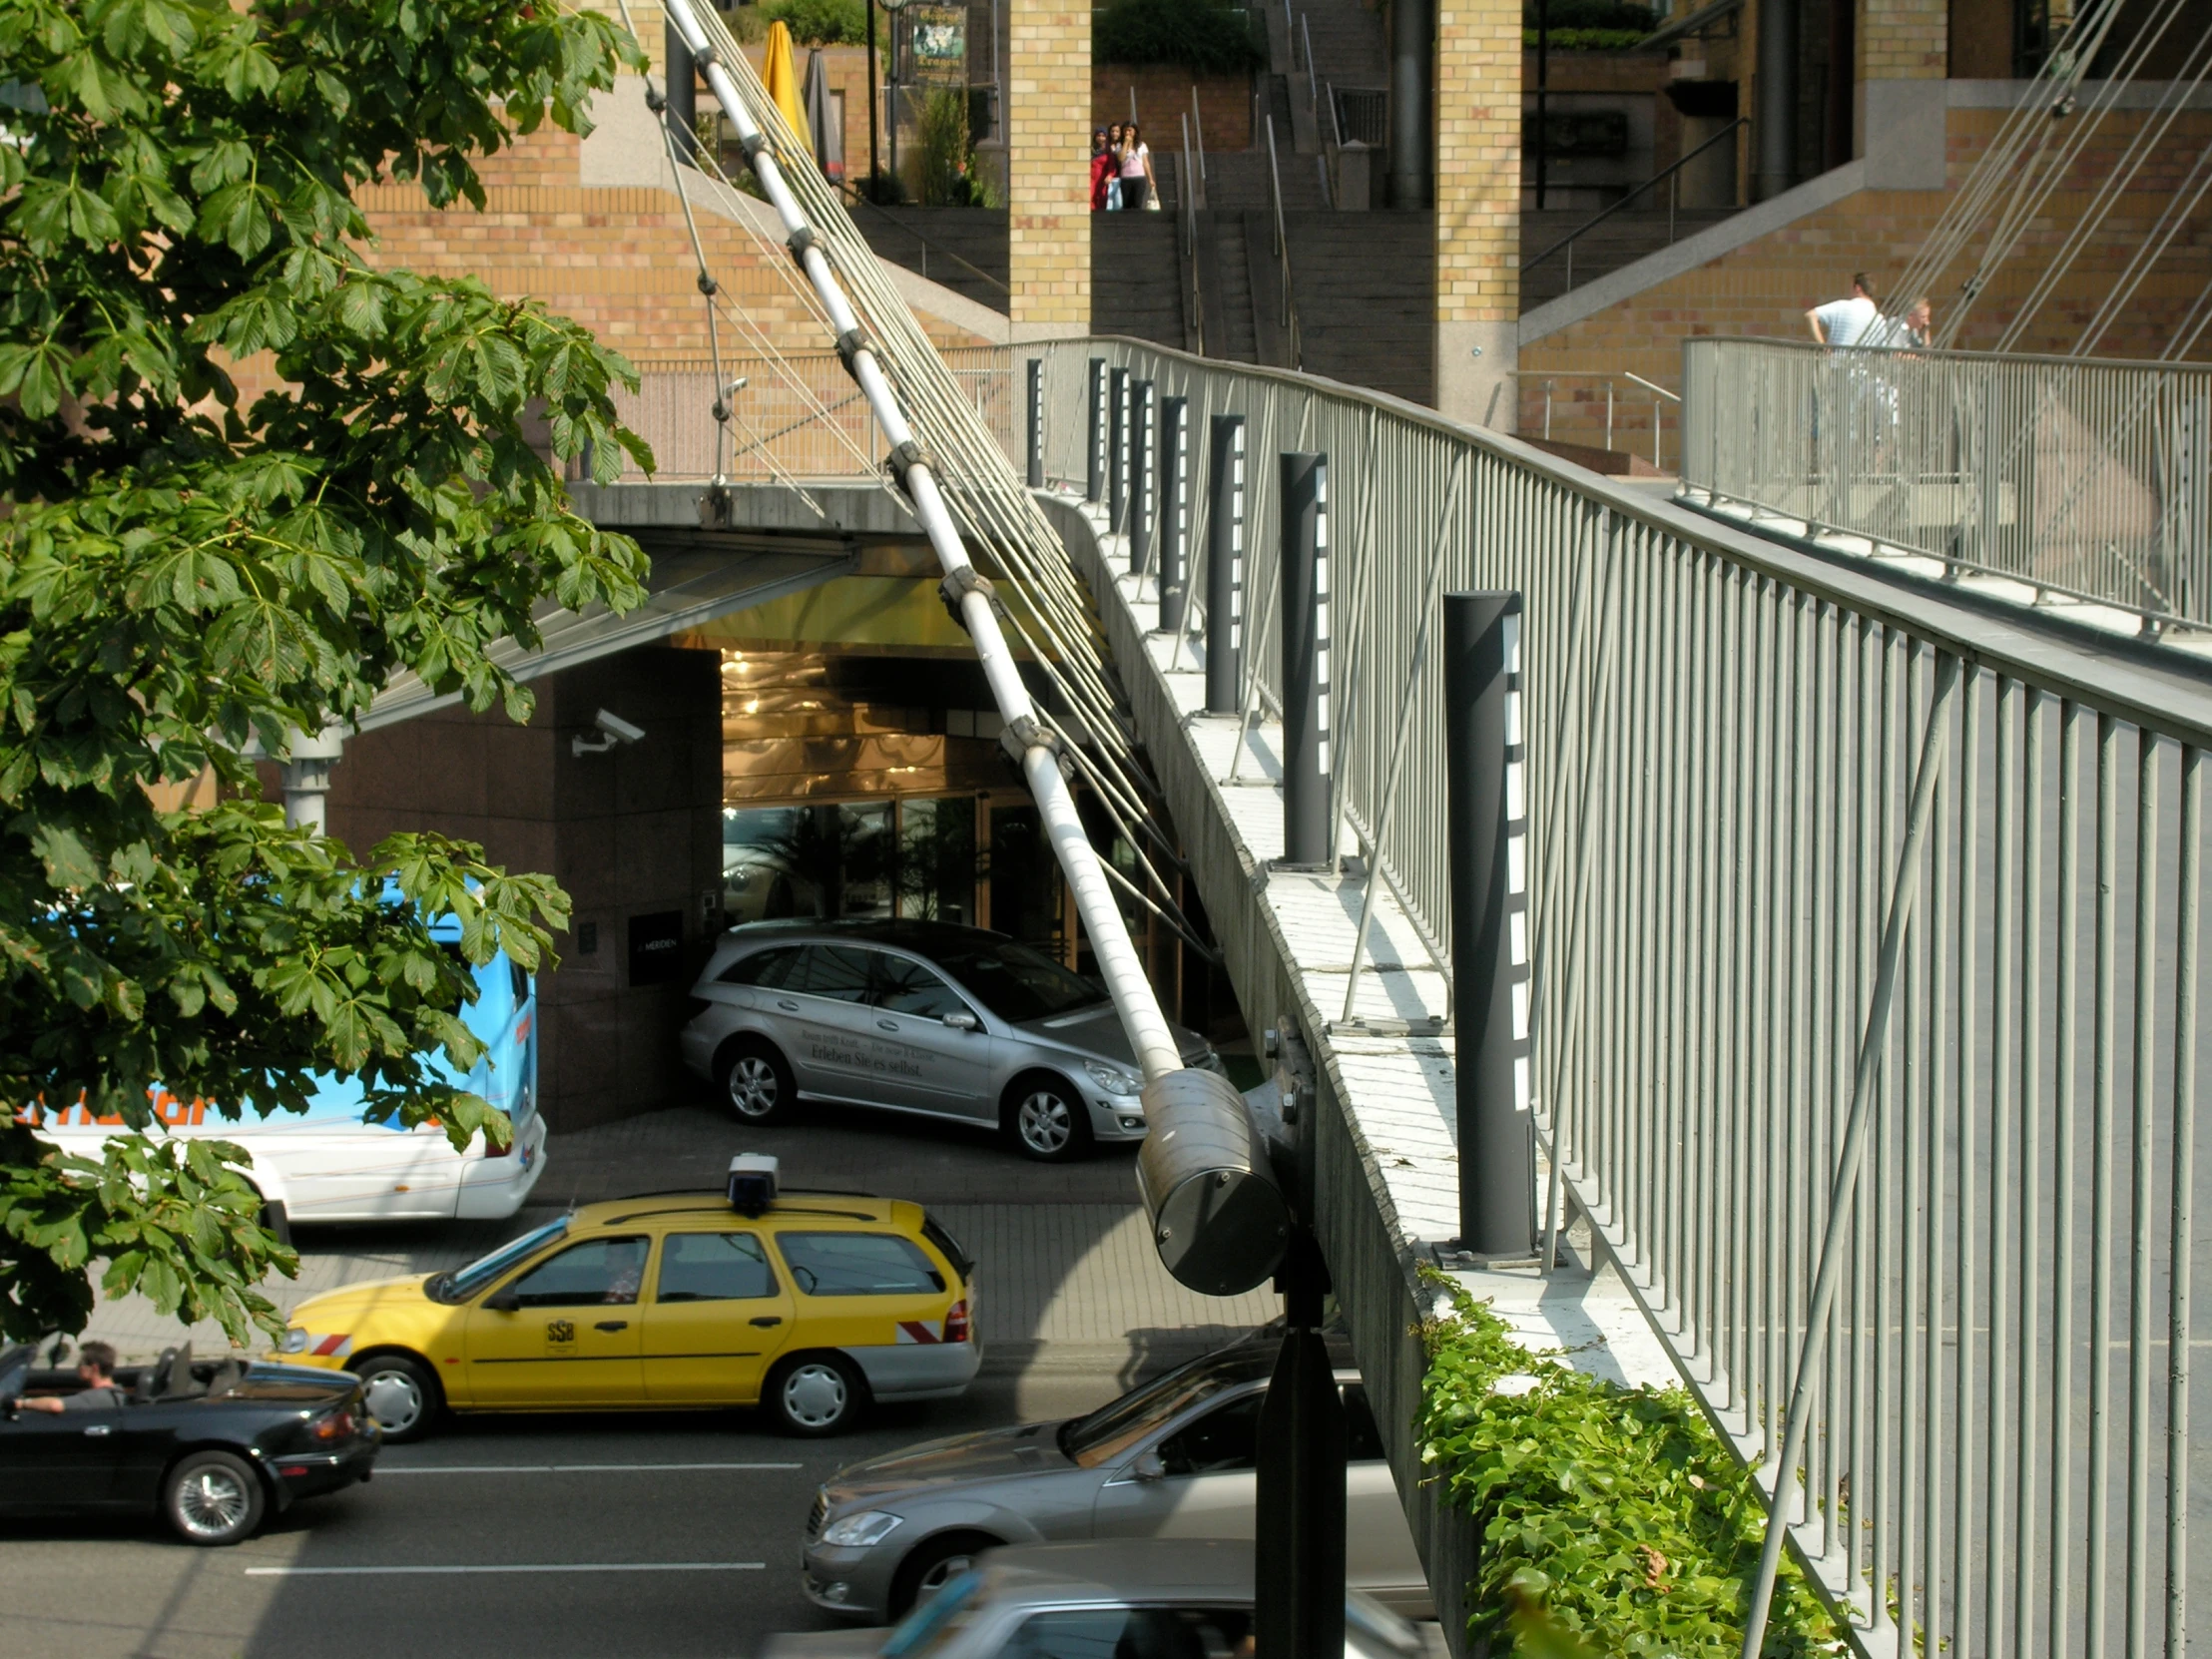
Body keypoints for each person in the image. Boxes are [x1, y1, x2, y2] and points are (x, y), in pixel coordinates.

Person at [20, 1341, 124, 1413]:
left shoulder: (96, 1397)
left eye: (81, 1364)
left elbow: (55, 1406)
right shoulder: (118, 1393)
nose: (77, 1367)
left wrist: (22, 1403)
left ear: (94, 1368)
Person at [1806, 272, 1882, 347]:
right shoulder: (1879, 319)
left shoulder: (1841, 306)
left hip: (1836, 358)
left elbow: (1810, 315)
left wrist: (1823, 345)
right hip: (1863, 359)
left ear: (1858, 288)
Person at [1118, 120, 1156, 213]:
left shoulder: (1142, 145)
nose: (1127, 133)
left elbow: (1146, 162)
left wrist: (1150, 179)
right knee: (1126, 204)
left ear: (1135, 131)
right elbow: (1121, 158)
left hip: (1139, 178)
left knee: (1137, 204)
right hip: (1126, 178)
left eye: (1130, 130)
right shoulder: (1120, 145)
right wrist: (1126, 143)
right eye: (1125, 130)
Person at [1089, 127, 1114, 213]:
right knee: (1089, 198)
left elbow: (1112, 166)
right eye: (1098, 135)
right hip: (1090, 179)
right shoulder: (1090, 150)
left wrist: (1110, 175)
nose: (1100, 138)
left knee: (1102, 200)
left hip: (1102, 180)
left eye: (1103, 135)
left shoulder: (1108, 150)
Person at [1104, 123, 1125, 210]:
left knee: (1119, 203)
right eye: (1112, 131)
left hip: (1120, 177)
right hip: (1109, 178)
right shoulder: (1106, 145)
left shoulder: (1122, 145)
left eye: (1117, 131)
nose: (1114, 133)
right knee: (1109, 203)